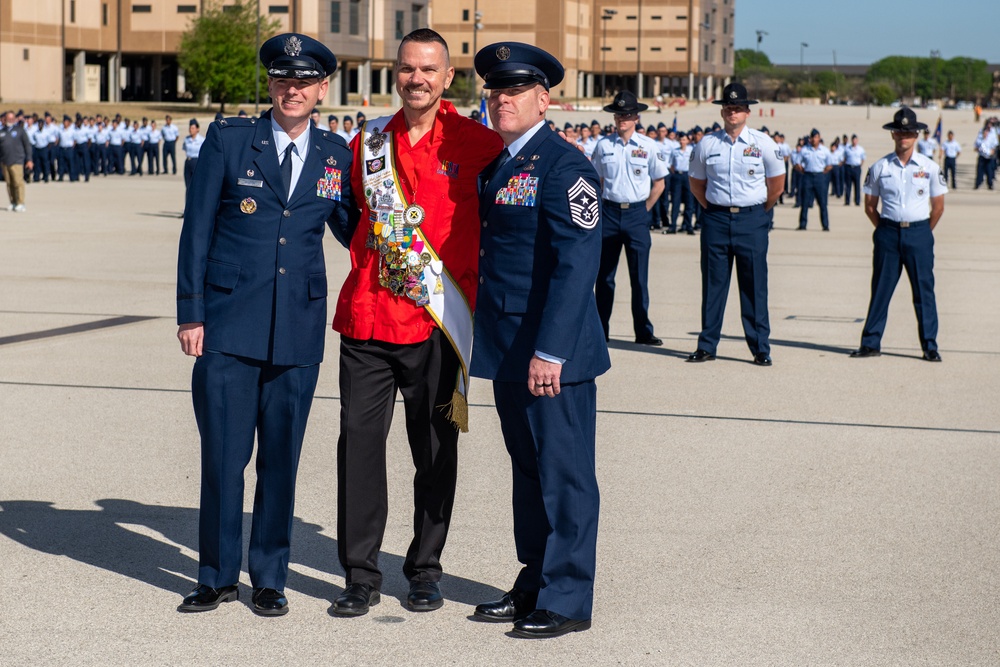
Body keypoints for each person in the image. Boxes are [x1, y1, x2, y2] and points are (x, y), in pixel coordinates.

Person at [175, 33, 354, 617]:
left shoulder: (337, 155)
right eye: (282, 79)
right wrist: (192, 313)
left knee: (282, 458)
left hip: (297, 328)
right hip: (227, 325)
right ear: (270, 84)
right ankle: (216, 574)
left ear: (322, 88)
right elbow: (196, 230)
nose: (292, 88)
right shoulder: (229, 142)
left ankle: (269, 576)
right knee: (224, 457)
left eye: (304, 81)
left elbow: (357, 232)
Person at [329, 28, 503, 618]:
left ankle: (425, 568)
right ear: (394, 72)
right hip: (368, 319)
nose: (417, 79)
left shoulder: (480, 144)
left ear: (447, 77)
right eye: (408, 69)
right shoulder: (368, 143)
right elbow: (351, 216)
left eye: (429, 69)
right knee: (357, 448)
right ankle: (359, 572)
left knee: (434, 451)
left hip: (437, 323)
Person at [471, 40, 610, 640]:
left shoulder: (564, 164)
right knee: (527, 471)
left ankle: (568, 596)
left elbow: (579, 263)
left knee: (565, 472)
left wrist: (551, 351)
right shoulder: (501, 163)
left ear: (543, 98)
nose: (502, 100)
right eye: (496, 91)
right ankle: (535, 579)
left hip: (554, 353)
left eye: (515, 90)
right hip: (507, 345)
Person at [687, 82, 784, 366]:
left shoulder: (763, 143)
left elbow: (776, 186)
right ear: (722, 111)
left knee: (754, 286)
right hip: (716, 218)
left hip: (752, 220)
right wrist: (714, 210)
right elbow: (696, 184)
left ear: (747, 112)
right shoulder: (707, 144)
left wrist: (759, 213)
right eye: (728, 107)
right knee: (713, 286)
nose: (733, 112)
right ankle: (707, 346)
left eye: (738, 108)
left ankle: (760, 348)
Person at [851, 107, 946, 362]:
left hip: (919, 233)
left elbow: (938, 207)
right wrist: (884, 229)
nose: (904, 136)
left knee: (924, 292)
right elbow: (870, 206)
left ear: (916, 135)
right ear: (893, 135)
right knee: (881, 289)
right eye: (899, 131)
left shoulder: (930, 167)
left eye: (909, 132)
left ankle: (930, 346)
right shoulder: (879, 167)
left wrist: (923, 232)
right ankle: (871, 343)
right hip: (888, 234)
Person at [590, 90, 668, 346]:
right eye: (618, 114)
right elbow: (596, 180)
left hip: (636, 214)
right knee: (604, 278)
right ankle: (601, 330)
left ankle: (643, 331)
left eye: (626, 114)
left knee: (639, 279)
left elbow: (659, 183)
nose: (622, 118)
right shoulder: (603, 145)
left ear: (636, 117)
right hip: (609, 213)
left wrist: (644, 209)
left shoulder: (648, 146)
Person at [795, 128, 832, 231]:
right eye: (812, 137)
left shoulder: (824, 150)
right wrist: (802, 170)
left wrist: (823, 172)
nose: (814, 139)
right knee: (805, 202)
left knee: (822, 203)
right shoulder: (805, 150)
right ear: (810, 138)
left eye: (816, 137)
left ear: (819, 138)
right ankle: (803, 224)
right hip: (808, 176)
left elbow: (830, 164)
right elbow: (797, 163)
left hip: (820, 177)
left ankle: (825, 225)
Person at [0, 111, 33, 212]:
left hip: (17, 161)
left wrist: (29, 160)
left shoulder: (20, 131)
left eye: (11, 119)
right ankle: (13, 202)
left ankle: (20, 202)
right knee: (9, 183)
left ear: (14, 119)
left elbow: (27, 145)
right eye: (8, 119)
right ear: (4, 119)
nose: (9, 120)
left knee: (18, 183)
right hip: (5, 161)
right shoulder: (2, 132)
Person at [667, 131, 694, 234]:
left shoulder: (692, 150)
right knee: (675, 201)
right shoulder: (675, 151)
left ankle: (688, 226)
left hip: (687, 176)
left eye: (684, 139)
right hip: (677, 176)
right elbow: (671, 165)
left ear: (688, 140)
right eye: (681, 139)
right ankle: (672, 226)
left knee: (689, 201)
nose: (682, 141)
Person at [843, 134, 866, 206]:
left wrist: (859, 166)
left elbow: (863, 159)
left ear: (857, 140)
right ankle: (847, 201)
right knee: (848, 185)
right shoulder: (847, 149)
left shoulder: (860, 149)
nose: (854, 141)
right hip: (849, 167)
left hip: (856, 168)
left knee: (857, 185)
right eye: (853, 140)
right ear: (851, 140)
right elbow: (845, 158)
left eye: (855, 140)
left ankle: (857, 201)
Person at [973, 126, 997, 190]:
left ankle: (990, 185)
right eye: (984, 133)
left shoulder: (990, 140)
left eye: (986, 133)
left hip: (988, 157)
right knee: (980, 172)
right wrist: (978, 149)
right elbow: (975, 148)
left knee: (989, 172)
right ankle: (977, 184)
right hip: (982, 157)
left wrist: (992, 152)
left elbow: (994, 148)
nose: (985, 134)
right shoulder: (979, 140)